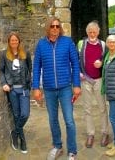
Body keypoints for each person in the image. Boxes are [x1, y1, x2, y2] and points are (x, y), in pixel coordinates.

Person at [32, 17, 81, 160]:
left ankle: (72, 151)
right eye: (52, 26)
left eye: (57, 26)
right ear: (48, 28)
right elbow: (36, 68)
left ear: (60, 28)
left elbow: (75, 64)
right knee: (53, 119)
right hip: (49, 89)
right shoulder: (41, 44)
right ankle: (57, 146)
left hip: (65, 87)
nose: (55, 29)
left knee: (69, 120)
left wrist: (76, 85)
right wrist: (36, 87)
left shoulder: (67, 42)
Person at [77, 21, 109, 148]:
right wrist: (79, 73)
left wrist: (101, 64)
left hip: (99, 80)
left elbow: (107, 60)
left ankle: (105, 133)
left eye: (94, 32)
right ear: (87, 32)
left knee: (102, 108)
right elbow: (75, 59)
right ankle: (90, 134)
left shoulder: (103, 44)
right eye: (90, 32)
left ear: (98, 32)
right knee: (87, 109)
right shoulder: (81, 44)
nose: (92, 34)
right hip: (86, 80)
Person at [0, 31, 32, 154]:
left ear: (19, 41)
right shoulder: (4, 54)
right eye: (12, 40)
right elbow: (1, 71)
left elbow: (30, 68)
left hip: (24, 89)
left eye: (16, 40)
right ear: (9, 42)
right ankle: (22, 140)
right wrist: (4, 84)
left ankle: (14, 132)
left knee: (25, 114)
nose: (14, 42)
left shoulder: (25, 53)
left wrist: (30, 84)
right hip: (12, 90)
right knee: (17, 115)